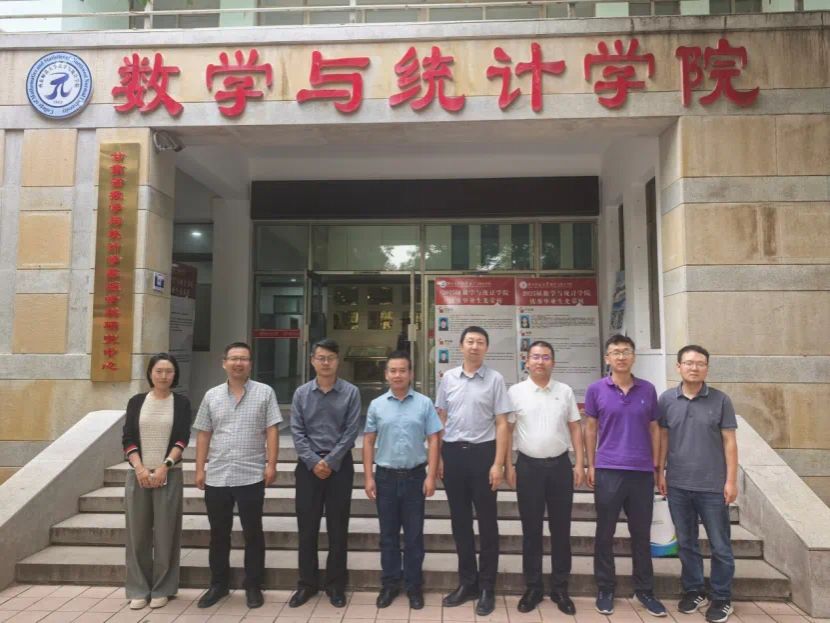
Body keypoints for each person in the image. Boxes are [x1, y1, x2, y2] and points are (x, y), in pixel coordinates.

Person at [193, 342, 282, 610]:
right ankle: (218, 585)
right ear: (224, 363)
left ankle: (253, 585)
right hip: (217, 475)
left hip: (251, 474)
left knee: (253, 532)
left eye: (243, 358)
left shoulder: (265, 392)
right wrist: (199, 468)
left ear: (250, 364)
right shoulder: (211, 396)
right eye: (233, 358)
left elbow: (272, 430)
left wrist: (272, 464)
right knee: (218, 534)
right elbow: (204, 433)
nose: (238, 363)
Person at [584, 335, 666, 617]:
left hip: (641, 471)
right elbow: (590, 428)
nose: (621, 357)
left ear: (633, 356)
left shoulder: (648, 389)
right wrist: (591, 464)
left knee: (641, 534)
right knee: (604, 533)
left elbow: (655, 429)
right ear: (607, 358)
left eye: (626, 351)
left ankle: (645, 590)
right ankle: (605, 588)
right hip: (608, 469)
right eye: (615, 352)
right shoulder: (596, 389)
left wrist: (657, 466)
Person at [657, 345, 738, 623]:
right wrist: (660, 472)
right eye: (689, 363)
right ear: (678, 366)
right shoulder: (667, 399)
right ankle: (693, 590)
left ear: (707, 368)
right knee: (686, 542)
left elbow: (730, 442)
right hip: (678, 484)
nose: (694, 367)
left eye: (700, 363)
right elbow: (663, 438)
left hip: (713, 486)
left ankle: (722, 597)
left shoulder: (721, 400)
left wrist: (731, 480)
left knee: (720, 545)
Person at [436, 326, 512, 616]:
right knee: (460, 522)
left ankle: (487, 587)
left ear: (486, 348)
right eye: (470, 341)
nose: (474, 346)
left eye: (480, 342)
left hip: (483, 455)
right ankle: (467, 582)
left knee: (488, 524)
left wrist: (498, 463)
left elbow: (502, 424)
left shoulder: (495, 379)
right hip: (453, 455)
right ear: (461, 346)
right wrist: (438, 457)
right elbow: (441, 418)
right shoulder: (448, 379)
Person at [506, 341, 584, 614]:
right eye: (535, 357)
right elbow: (507, 430)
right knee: (531, 531)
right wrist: (508, 465)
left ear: (553, 362)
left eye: (546, 357)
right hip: (528, 468)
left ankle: (560, 588)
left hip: (560, 467)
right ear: (526, 361)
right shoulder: (515, 392)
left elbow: (575, 428)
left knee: (561, 530)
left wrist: (580, 463)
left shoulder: (564, 391)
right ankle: (533, 587)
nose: (540, 362)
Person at [363, 351, 443, 610]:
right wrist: (368, 476)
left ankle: (413, 586)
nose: (398, 375)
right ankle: (389, 584)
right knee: (387, 536)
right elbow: (368, 441)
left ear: (410, 374)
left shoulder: (424, 403)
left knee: (413, 537)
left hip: (414, 478)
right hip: (385, 478)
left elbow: (434, 440)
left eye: (402, 370)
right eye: (393, 371)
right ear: (386, 374)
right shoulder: (377, 405)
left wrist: (431, 475)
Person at [289, 338, 362, 608]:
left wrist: (330, 461)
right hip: (308, 469)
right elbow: (297, 431)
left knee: (337, 529)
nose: (326, 362)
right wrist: (313, 461)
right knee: (307, 529)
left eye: (330, 358)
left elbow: (351, 431)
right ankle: (306, 584)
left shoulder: (351, 392)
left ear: (337, 361)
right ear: (312, 361)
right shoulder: (301, 394)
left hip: (339, 467)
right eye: (321, 358)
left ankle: (335, 585)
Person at [122, 353, 192, 610]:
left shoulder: (181, 403)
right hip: (138, 475)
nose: (163, 376)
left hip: (169, 475)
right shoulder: (136, 402)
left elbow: (182, 438)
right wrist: (140, 468)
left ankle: (163, 588)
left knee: (166, 533)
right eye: (159, 371)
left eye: (169, 371)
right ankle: (138, 589)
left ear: (175, 375)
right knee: (137, 535)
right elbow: (128, 437)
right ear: (150, 373)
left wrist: (165, 466)